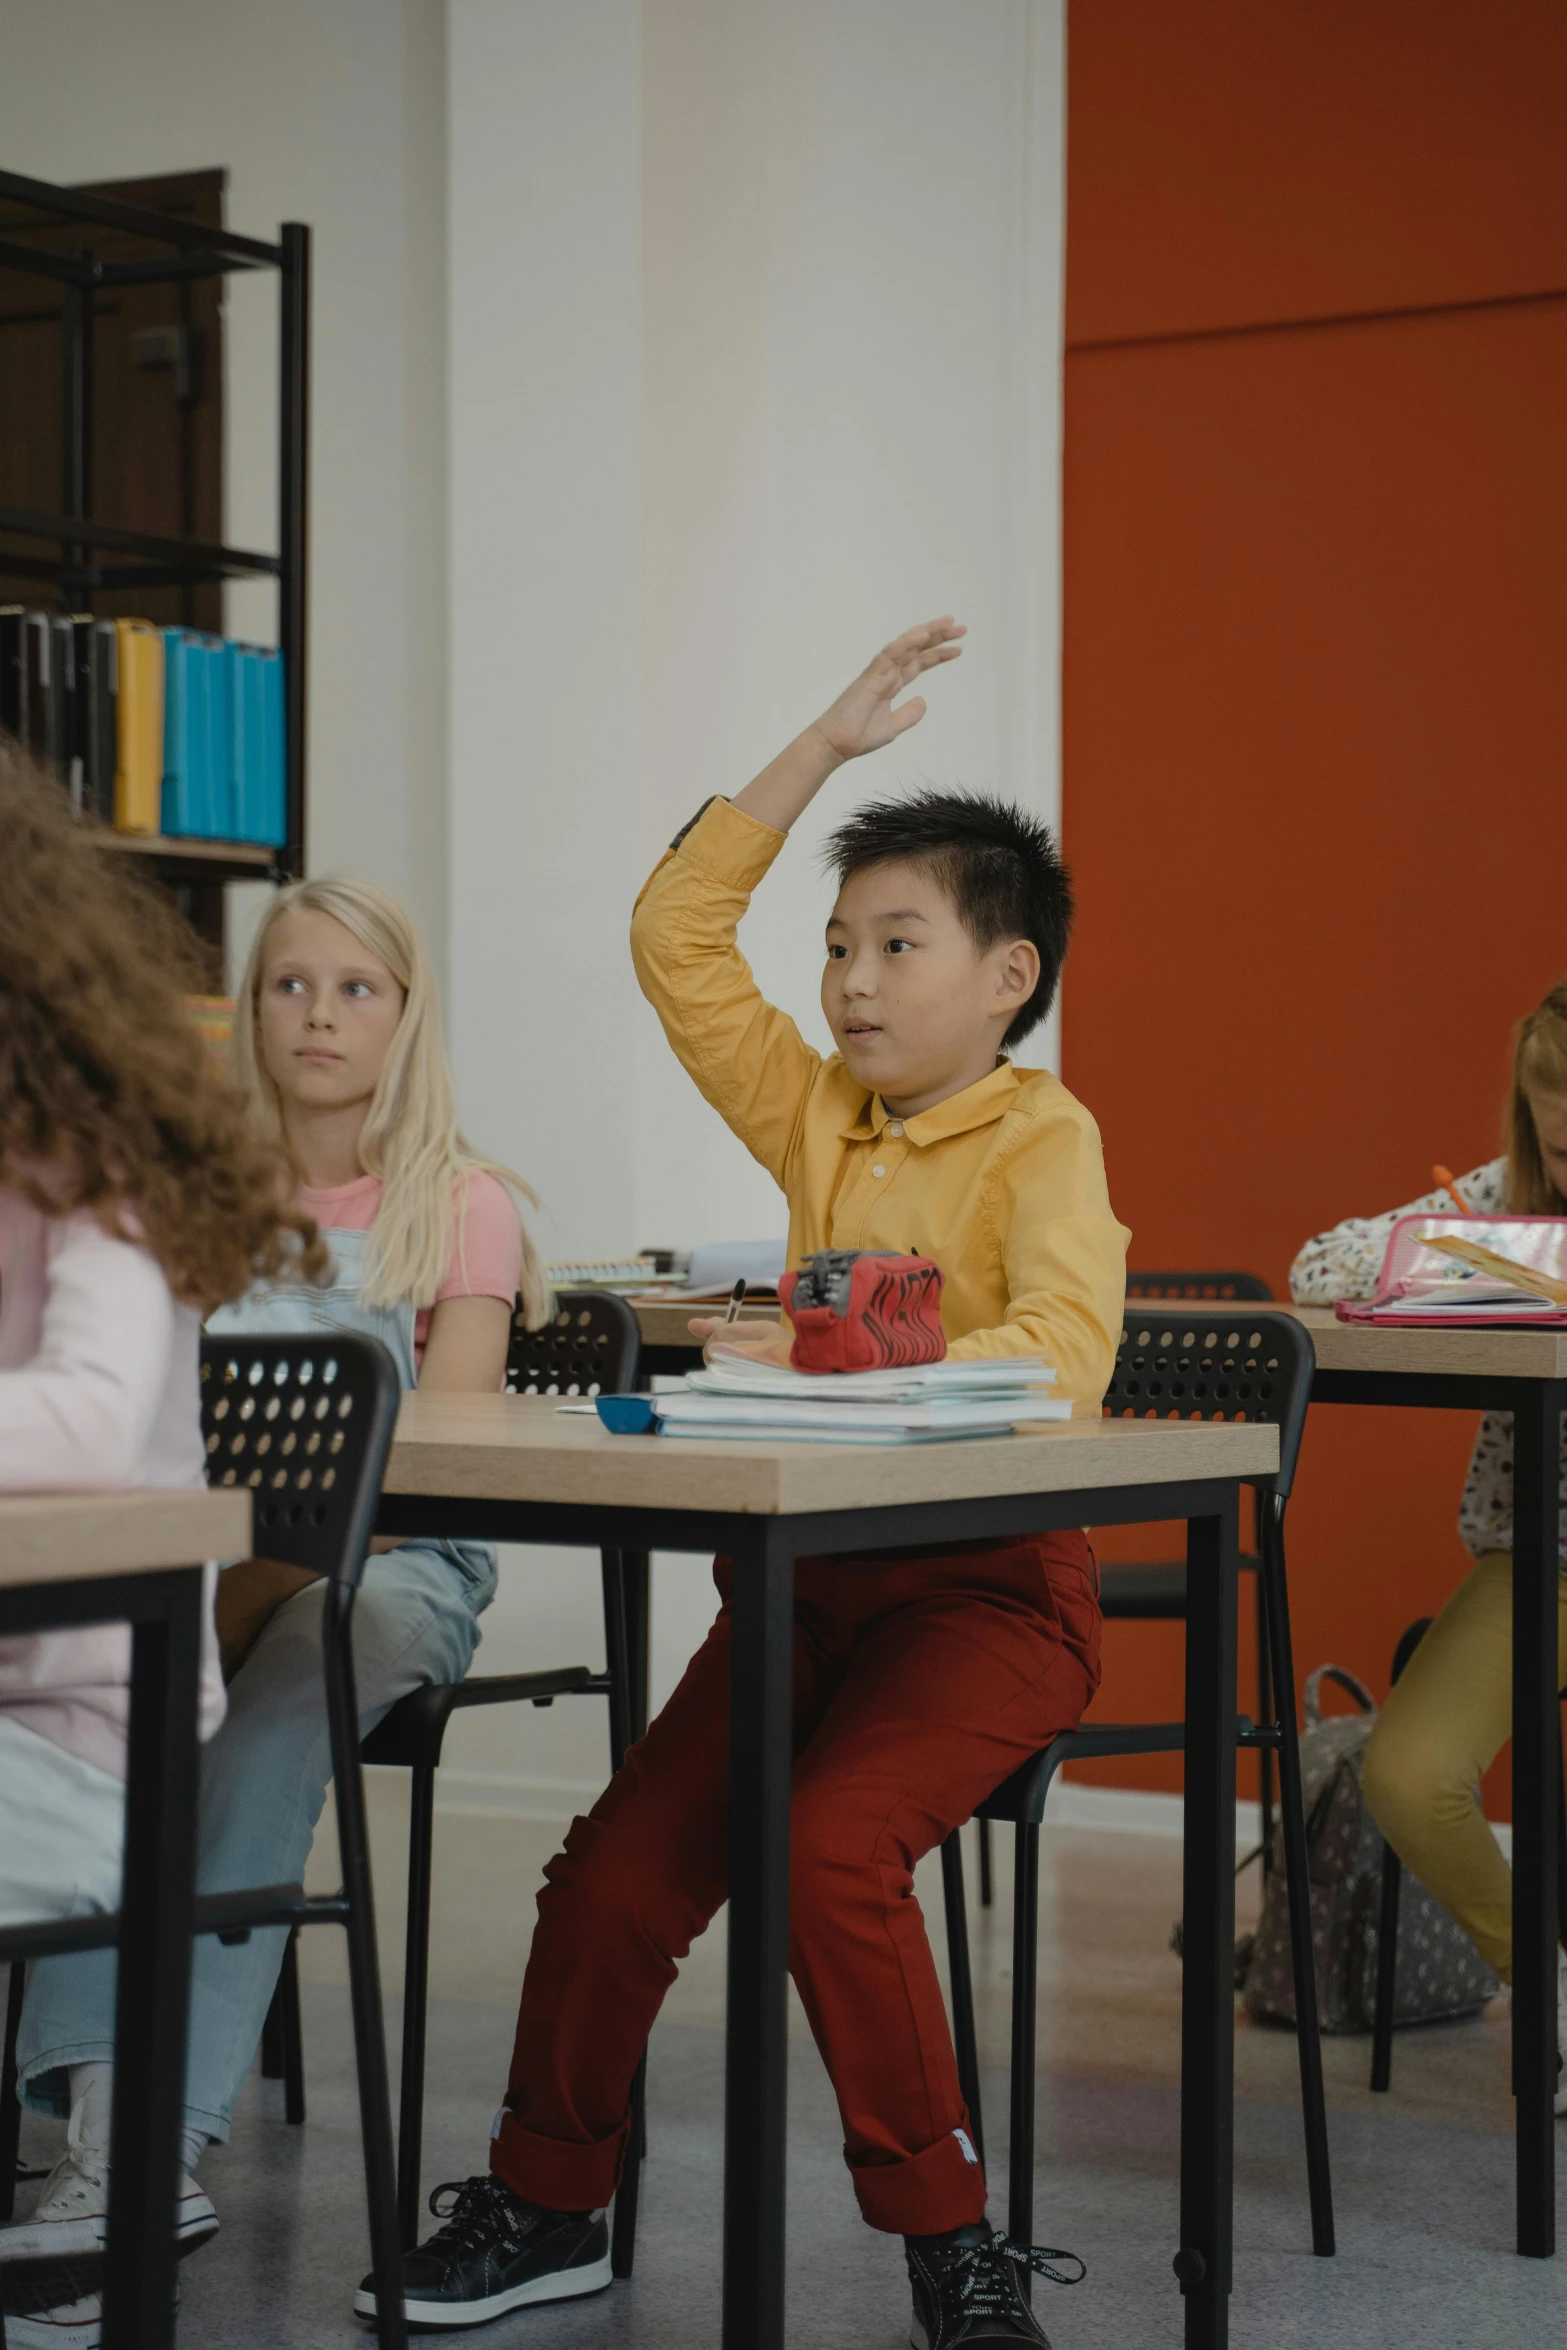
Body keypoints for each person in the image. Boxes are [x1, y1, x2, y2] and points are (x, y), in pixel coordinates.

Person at [366, 620, 1130, 2348]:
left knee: (824, 1848)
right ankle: (548, 2203)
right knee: (614, 1875)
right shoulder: (817, 1125)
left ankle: (952, 2245)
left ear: (1006, 978)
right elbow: (675, 938)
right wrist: (817, 753)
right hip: (800, 1597)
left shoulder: (1042, 1135)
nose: (851, 981)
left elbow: (1066, 1362)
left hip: (987, 1600)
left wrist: (853, 1355)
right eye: (840, 945)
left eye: (897, 944)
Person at [6, 874, 548, 2333]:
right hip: (212, 1552)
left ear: (407, 1015)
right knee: (101, 1683)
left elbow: (449, 1453)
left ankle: (142, 2151)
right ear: (250, 1013)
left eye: (355, 988)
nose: (318, 1015)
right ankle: (85, 2133)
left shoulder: (462, 1203)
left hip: (395, 1570)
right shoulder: (192, 1184)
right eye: (290, 986)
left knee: (283, 1679)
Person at [0, 741, 325, 2350]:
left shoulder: (94, 1157)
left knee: (349, 1633)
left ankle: (106, 2180)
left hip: (77, 1731)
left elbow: (80, 1416)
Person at [1289, 977, 1567, 2115]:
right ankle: (1543, 1995)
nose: (1563, 1131)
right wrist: (1489, 1253)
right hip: (1535, 1561)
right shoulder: (1510, 1197)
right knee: (1406, 1773)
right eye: (1547, 1102)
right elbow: (1316, 1266)